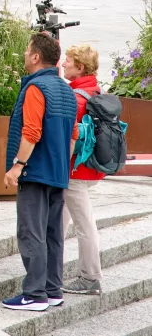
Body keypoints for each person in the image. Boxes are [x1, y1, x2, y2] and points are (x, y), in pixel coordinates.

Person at [2, 32, 79, 312]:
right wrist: (61, 165)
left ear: (36, 57)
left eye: (27, 51)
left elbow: (31, 132)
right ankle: (52, 289)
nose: (24, 54)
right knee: (52, 233)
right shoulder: (67, 90)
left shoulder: (36, 88)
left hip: (35, 172)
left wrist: (17, 166)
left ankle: (34, 294)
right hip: (58, 173)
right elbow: (73, 136)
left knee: (30, 231)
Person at [61, 44, 105, 295]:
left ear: (80, 67)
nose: (63, 64)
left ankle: (90, 278)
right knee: (60, 217)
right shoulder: (97, 91)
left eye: (68, 61)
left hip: (75, 172)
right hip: (90, 168)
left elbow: (69, 139)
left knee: (84, 224)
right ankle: (50, 267)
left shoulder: (76, 99)